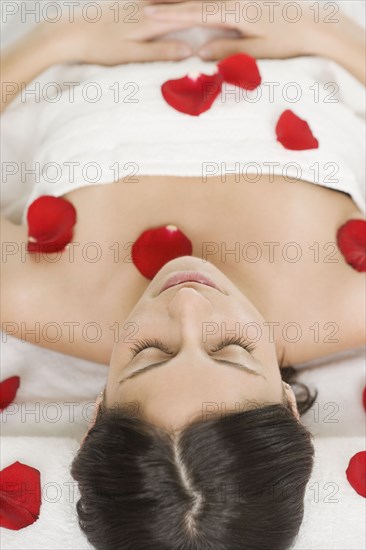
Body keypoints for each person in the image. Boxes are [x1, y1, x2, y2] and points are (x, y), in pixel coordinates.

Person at [1, 2, 365, 549]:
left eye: (149, 351)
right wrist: (334, 36)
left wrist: (52, 42)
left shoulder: (41, 299)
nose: (189, 303)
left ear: (99, 407)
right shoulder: (348, 302)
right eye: (232, 348)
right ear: (289, 405)